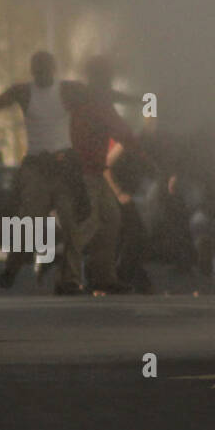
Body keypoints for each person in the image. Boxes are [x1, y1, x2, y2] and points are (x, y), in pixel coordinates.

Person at [0, 51, 125, 294]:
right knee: (28, 224)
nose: (42, 75)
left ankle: (69, 281)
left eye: (45, 70)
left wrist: (144, 99)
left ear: (53, 70)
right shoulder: (23, 92)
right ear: (33, 71)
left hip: (64, 168)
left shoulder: (67, 90)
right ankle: (12, 268)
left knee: (73, 224)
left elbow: (103, 95)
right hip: (36, 169)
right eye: (38, 70)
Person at [69, 57, 139, 293]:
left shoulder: (92, 97)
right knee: (87, 226)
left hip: (94, 173)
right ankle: (68, 277)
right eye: (107, 77)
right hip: (84, 174)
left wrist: (147, 101)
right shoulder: (96, 102)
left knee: (110, 219)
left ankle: (103, 277)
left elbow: (125, 101)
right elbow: (124, 132)